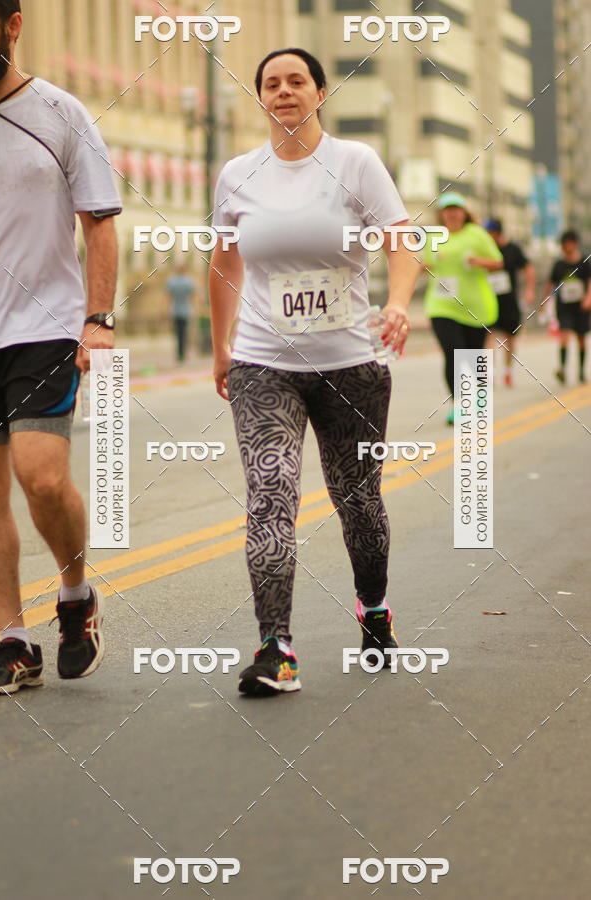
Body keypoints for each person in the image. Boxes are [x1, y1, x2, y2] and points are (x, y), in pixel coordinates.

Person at [209, 47, 420, 696]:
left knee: (356, 499)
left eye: (296, 80)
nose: (283, 91)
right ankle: (276, 648)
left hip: (350, 363)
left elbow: (401, 239)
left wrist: (397, 303)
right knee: (270, 495)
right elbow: (223, 263)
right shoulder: (238, 173)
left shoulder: (355, 163)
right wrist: (222, 349)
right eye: (270, 83)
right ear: (261, 98)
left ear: (320, 92)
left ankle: (374, 607)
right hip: (263, 363)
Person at [0, 0, 121, 694]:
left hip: (43, 327)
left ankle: (75, 595)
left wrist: (97, 316)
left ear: (10, 26)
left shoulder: (61, 113)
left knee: (41, 477)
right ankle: (12, 638)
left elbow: (99, 221)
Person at [421, 193, 503, 424]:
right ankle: (457, 405)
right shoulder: (434, 236)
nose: (452, 213)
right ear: (441, 214)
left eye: (456, 209)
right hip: (441, 306)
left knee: (473, 356)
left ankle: (479, 395)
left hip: (476, 308)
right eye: (448, 209)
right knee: (453, 352)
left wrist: (477, 261)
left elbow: (497, 262)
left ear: (464, 212)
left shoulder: (476, 234)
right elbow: (426, 263)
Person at [484, 218, 536, 386]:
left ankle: (507, 371)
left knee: (509, 338)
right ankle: (488, 372)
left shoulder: (512, 249)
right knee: (487, 335)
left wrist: (529, 290)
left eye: (491, 232)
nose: (488, 236)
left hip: (509, 300)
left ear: (498, 233)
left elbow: (528, 268)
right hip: (488, 299)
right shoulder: (483, 249)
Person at [545, 230, 591, 384]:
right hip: (564, 306)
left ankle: (581, 372)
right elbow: (551, 283)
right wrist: (544, 301)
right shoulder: (559, 264)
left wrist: (588, 298)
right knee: (564, 335)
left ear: (575, 244)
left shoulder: (584, 262)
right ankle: (563, 369)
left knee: (581, 338)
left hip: (581, 306)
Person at [166, 263, 196, 363]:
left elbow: (168, 297)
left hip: (175, 311)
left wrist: (166, 309)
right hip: (186, 311)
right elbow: (193, 296)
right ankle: (183, 353)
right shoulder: (188, 282)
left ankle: (179, 353)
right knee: (185, 333)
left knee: (178, 333)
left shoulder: (172, 282)